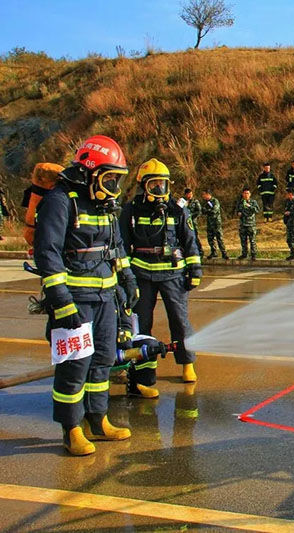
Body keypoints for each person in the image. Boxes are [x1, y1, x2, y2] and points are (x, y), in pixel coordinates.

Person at [34, 135, 137, 455]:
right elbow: (47, 253)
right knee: (75, 364)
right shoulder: (61, 200)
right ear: (90, 172)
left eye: (117, 179)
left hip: (106, 298)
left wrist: (127, 277)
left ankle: (97, 419)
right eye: (108, 178)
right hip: (75, 299)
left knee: (103, 360)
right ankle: (72, 428)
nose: (113, 187)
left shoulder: (106, 206)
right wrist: (61, 301)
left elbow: (116, 247)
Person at [120, 158, 202, 389]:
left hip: (173, 275)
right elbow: (123, 245)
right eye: (153, 185)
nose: (159, 190)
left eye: (163, 185)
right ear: (142, 186)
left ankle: (187, 363)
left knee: (180, 321)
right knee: (141, 323)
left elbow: (190, 241)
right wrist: (125, 277)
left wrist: (195, 269)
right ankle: (142, 374)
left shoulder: (178, 210)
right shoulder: (131, 211)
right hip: (141, 276)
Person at [200, 190, 228, 260]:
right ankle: (213, 252)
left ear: (208, 194)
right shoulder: (206, 203)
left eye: (204, 195)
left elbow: (214, 211)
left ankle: (224, 253)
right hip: (209, 223)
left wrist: (207, 211)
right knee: (210, 239)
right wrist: (207, 211)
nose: (203, 196)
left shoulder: (215, 201)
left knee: (219, 238)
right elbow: (202, 211)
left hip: (216, 223)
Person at [235, 187, 259, 260]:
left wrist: (250, 206)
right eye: (245, 193)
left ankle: (253, 255)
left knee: (252, 241)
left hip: (251, 224)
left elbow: (257, 210)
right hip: (243, 224)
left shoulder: (253, 202)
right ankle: (244, 254)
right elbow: (237, 210)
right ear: (242, 194)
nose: (246, 195)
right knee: (243, 240)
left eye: (247, 193)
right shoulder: (240, 202)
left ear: (250, 194)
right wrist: (238, 213)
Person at [182, 188, 204, 258]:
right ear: (186, 194)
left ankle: (200, 251)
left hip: (192, 222)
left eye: (191, 194)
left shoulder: (195, 201)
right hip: (184, 222)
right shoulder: (183, 201)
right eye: (189, 194)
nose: (190, 195)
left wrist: (192, 216)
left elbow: (199, 211)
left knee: (195, 236)